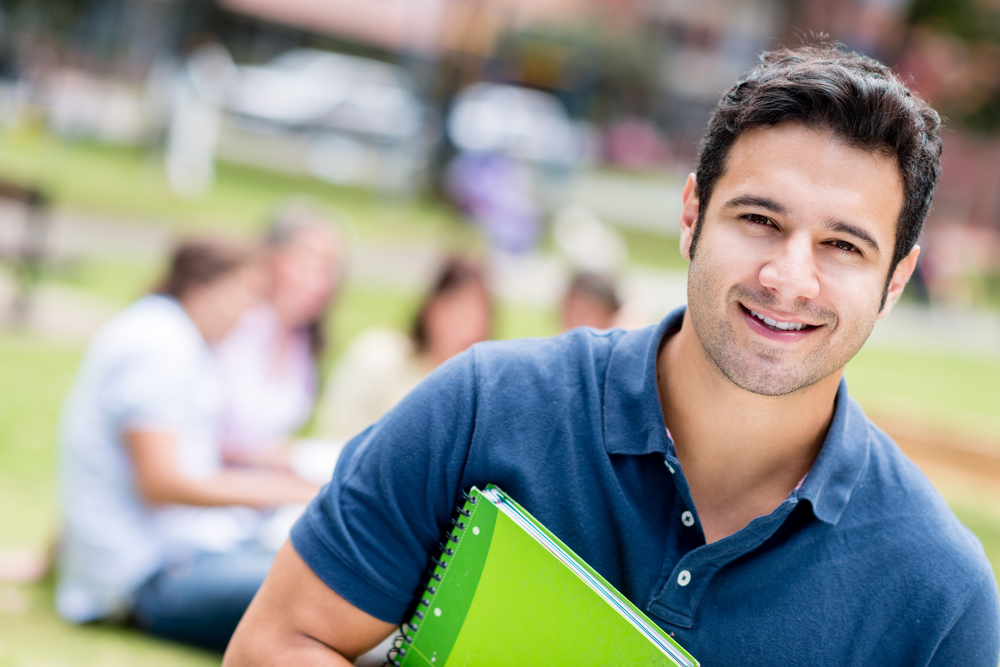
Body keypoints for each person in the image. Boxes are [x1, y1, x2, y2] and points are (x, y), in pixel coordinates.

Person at [225, 44, 1000, 666]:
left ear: (897, 278)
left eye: (843, 245)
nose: (788, 277)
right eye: (759, 219)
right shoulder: (481, 406)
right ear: (692, 213)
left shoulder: (939, 595)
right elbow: (279, 639)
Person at [56, 239, 319, 652]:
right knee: (323, 595)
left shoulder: (165, 333)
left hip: (179, 555)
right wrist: (287, 490)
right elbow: (160, 481)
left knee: (315, 573)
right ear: (203, 290)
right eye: (244, 297)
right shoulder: (159, 346)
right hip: (150, 579)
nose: (248, 315)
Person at [214, 202, 344, 466]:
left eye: (331, 268)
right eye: (312, 263)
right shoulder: (235, 325)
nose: (322, 281)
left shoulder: (302, 339)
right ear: (270, 257)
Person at [316, 256, 492, 442]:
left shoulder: (478, 391)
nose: (468, 326)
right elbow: (335, 429)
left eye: (478, 313)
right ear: (431, 308)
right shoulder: (379, 354)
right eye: (458, 310)